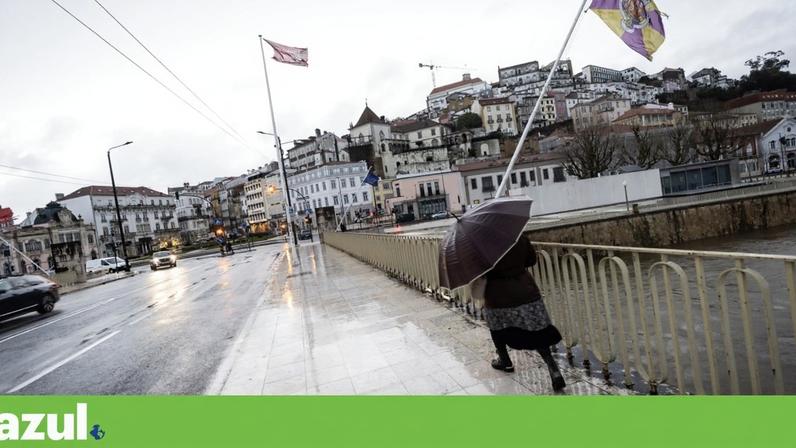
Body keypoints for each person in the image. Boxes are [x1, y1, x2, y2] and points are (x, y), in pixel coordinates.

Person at [482, 234, 566, 391]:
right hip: (525, 289)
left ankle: (505, 360)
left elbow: (479, 272)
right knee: (537, 331)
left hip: (497, 294)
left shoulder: (481, 243)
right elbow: (531, 260)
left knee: (497, 328)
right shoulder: (518, 235)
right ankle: (553, 369)